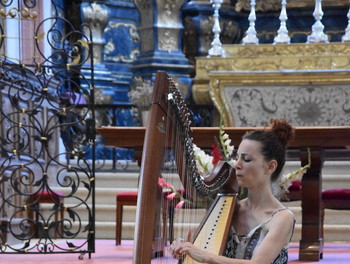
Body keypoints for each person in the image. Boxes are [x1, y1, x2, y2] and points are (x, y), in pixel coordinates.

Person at [169, 118, 296, 264]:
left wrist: (204, 256)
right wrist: (184, 249)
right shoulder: (230, 208)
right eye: (237, 158)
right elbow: (201, 250)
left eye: (246, 159)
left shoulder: (282, 218)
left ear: (270, 167)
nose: (237, 165)